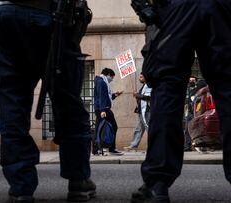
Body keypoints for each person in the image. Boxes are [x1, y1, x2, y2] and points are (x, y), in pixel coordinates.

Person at [0, 0, 96, 202]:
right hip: (50, 17)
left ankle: (21, 187)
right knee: (68, 102)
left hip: (3, 14)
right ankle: (78, 179)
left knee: (12, 106)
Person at [130, 0, 231, 202]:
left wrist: (143, 5)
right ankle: (156, 182)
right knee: (228, 88)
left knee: (167, 88)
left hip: (176, 9)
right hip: (220, 7)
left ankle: (157, 183)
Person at [93, 68, 124, 156]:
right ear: (108, 74)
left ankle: (96, 149)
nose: (112, 80)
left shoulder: (101, 81)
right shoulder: (102, 82)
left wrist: (114, 95)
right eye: (112, 77)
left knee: (99, 129)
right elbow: (102, 97)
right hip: (103, 109)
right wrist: (103, 110)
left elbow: (106, 97)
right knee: (113, 127)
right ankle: (111, 148)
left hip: (101, 108)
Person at [124, 74, 152, 151]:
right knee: (139, 129)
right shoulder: (144, 86)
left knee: (149, 128)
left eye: (141, 77)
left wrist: (138, 95)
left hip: (146, 111)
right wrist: (137, 95)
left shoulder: (149, 86)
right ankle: (134, 145)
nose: (139, 79)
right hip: (142, 111)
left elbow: (149, 97)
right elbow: (141, 98)